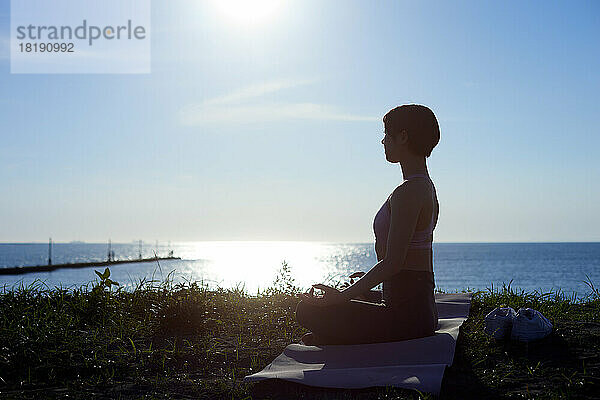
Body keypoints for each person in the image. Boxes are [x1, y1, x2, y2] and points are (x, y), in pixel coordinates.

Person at [296, 104, 441, 345]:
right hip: (415, 307)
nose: (383, 141)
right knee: (341, 298)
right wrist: (366, 286)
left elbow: (394, 262)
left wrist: (342, 297)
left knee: (307, 310)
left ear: (403, 137)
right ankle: (335, 335)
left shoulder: (409, 191)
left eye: (386, 135)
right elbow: (407, 266)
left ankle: (335, 336)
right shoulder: (424, 186)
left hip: (408, 318)